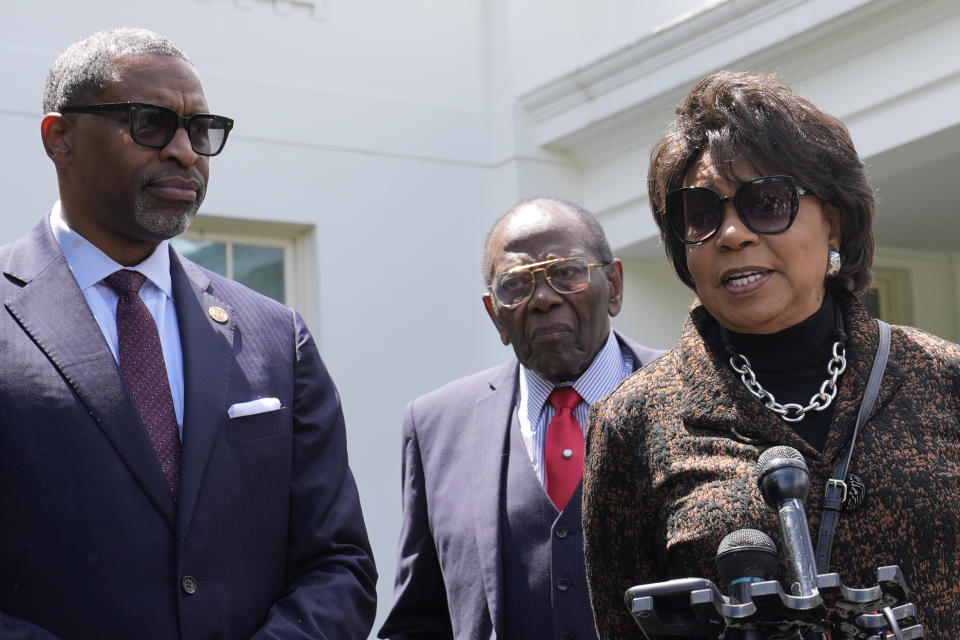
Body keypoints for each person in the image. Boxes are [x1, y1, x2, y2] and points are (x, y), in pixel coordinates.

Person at [0, 28, 376, 639]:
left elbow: (338, 564)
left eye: (200, 130)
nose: (185, 151)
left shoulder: (276, 336)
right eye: (150, 123)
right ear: (59, 138)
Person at [582, 70, 960, 639]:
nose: (732, 233)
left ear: (833, 220)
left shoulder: (942, 378)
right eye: (702, 214)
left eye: (768, 202)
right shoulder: (632, 421)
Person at [378, 197, 661, 640]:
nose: (544, 299)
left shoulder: (691, 396)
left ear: (614, 286)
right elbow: (418, 621)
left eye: (566, 272)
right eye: (515, 285)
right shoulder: (435, 426)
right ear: (496, 316)